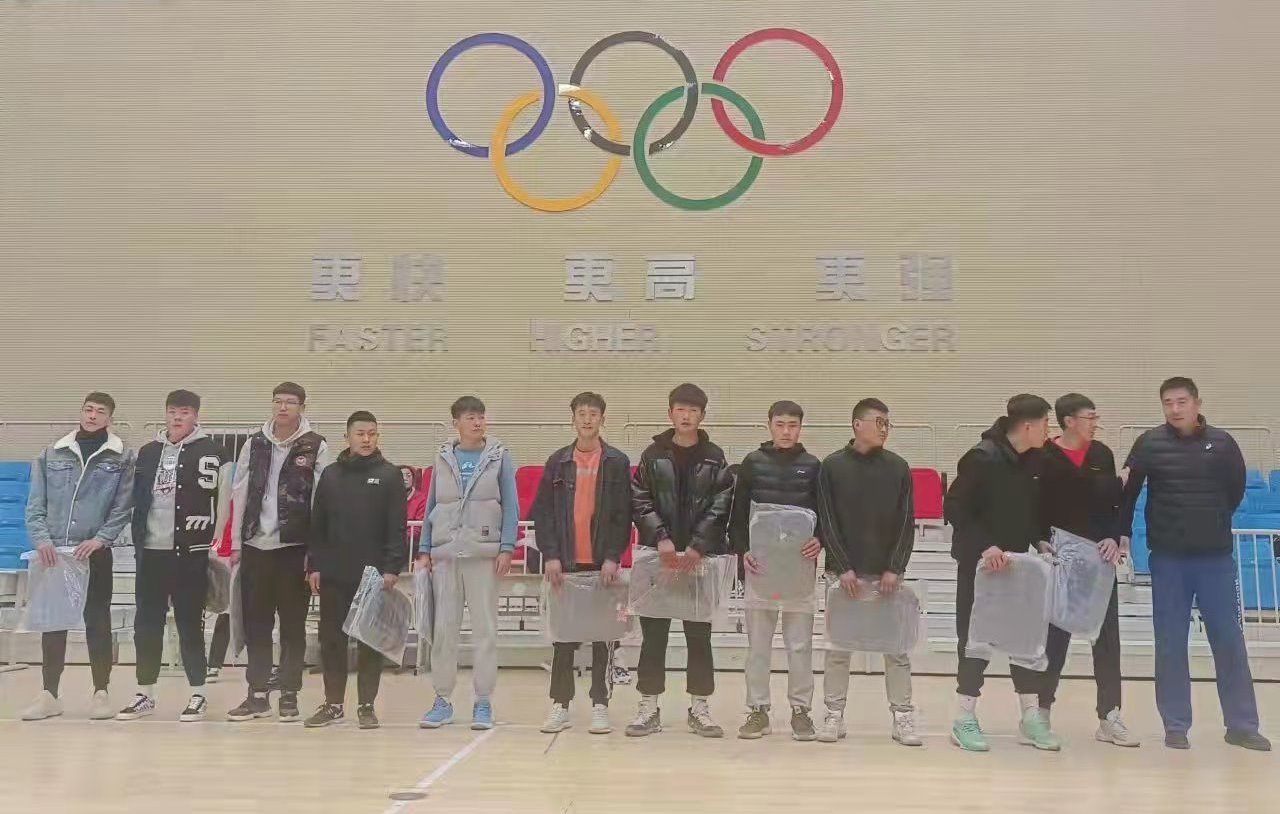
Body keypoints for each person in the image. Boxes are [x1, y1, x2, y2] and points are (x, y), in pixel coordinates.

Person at [1121, 377, 1270, 751]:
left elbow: (1234, 491)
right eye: (1167, 403)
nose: (1174, 409)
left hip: (1215, 560)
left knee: (1229, 641)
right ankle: (1175, 725)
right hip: (1168, 560)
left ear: (1197, 403)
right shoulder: (1149, 443)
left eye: (1181, 401)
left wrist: (1211, 520)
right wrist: (1120, 532)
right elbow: (1128, 492)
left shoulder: (1222, 443)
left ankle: (1241, 725)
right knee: (1170, 643)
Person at [944, 394, 1059, 752]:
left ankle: (1030, 717)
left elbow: (1033, 511)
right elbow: (954, 507)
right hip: (980, 566)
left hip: (1018, 567)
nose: (1049, 430)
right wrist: (985, 546)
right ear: (1027, 425)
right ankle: (964, 718)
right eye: (1046, 423)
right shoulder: (982, 457)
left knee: (1024, 640)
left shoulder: (1036, 460)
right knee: (974, 641)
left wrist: (1040, 539)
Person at [116, 390, 231, 723]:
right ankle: (145, 693)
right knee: (146, 625)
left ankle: (198, 693)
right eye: (172, 411)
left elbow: (224, 498)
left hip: (190, 552)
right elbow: (134, 497)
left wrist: (214, 543)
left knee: (189, 624)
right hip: (150, 552)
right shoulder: (148, 452)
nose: (177, 417)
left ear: (196, 416)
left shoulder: (214, 451)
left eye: (184, 412)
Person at [627, 383, 735, 738]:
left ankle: (700, 708)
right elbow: (639, 500)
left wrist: (698, 546)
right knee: (653, 637)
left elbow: (722, 505)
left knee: (699, 637)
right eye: (680, 409)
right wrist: (661, 538)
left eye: (693, 410)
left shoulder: (715, 456)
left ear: (702, 415)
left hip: (698, 562)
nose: (686, 416)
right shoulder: (652, 455)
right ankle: (648, 707)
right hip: (658, 560)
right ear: (670, 413)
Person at [21, 392, 135, 722]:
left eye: (100, 411)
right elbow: (35, 504)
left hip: (94, 553)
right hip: (55, 553)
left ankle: (101, 692)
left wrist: (100, 539)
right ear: (81, 412)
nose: (93, 415)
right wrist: (42, 539)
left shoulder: (122, 456)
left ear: (110, 418)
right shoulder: (51, 453)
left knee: (97, 622)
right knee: (53, 623)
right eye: (89, 409)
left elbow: (123, 506)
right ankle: (49, 695)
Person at [1032, 393, 1137, 746]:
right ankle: (1041, 711)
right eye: (1089, 417)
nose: (1095, 423)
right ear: (1069, 421)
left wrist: (1113, 536)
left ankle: (1109, 716)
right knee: (1055, 639)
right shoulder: (1044, 457)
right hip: (1061, 561)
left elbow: (1113, 504)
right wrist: (1038, 540)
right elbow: (1037, 506)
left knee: (1107, 640)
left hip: (1099, 560)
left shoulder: (1101, 454)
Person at [816, 398, 919, 746]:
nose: (885, 429)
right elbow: (826, 520)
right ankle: (833, 714)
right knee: (838, 649)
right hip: (843, 576)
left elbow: (906, 521)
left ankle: (902, 716)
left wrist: (895, 567)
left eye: (888, 423)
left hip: (886, 576)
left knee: (896, 650)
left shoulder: (898, 467)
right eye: (879, 422)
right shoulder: (831, 466)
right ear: (857, 424)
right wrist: (842, 567)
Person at [530, 392, 633, 735]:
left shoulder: (616, 462)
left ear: (602, 419)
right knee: (564, 639)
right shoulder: (558, 461)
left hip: (602, 566)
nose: (587, 419)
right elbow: (544, 513)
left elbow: (622, 515)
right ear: (572, 418)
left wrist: (613, 557)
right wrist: (551, 555)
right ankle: (560, 705)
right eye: (581, 414)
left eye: (593, 414)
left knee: (603, 639)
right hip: (566, 565)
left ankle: (601, 704)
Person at [226, 381, 330, 722]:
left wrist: (315, 553)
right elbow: (239, 492)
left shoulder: (316, 446)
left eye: (290, 402)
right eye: (278, 401)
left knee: (292, 626)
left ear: (302, 407)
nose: (283, 407)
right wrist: (237, 543)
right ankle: (257, 694)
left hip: (294, 548)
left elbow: (321, 502)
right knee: (256, 624)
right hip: (255, 546)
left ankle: (289, 694)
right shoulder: (254, 443)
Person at [417, 396, 518, 731]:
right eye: (471, 417)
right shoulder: (443, 456)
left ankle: (483, 701)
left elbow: (512, 505)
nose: (477, 423)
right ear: (456, 423)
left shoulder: (499, 457)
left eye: (481, 417)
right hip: (446, 555)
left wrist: (507, 547)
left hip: (483, 554)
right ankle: (442, 699)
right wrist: (425, 548)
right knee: (444, 630)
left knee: (485, 630)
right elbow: (432, 503)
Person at [303, 411, 407, 730]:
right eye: (360, 433)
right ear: (347, 437)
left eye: (372, 434)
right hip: (333, 573)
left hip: (373, 577)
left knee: (369, 642)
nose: (366, 439)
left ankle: (366, 705)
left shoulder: (389, 475)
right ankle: (333, 704)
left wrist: (392, 567)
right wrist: (314, 565)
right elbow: (318, 524)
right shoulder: (331, 475)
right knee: (331, 641)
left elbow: (397, 526)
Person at [730, 400, 822, 741]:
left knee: (799, 646)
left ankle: (801, 711)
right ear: (769, 425)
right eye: (780, 424)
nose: (786, 431)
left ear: (800, 428)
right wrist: (743, 551)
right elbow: (738, 515)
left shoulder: (813, 466)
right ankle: (758, 710)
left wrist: (821, 539)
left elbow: (824, 513)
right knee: (758, 646)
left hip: (799, 568)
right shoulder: (752, 463)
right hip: (761, 567)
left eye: (792, 425)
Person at [401, 464, 427, 557]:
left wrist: (402, 538)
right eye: (401, 476)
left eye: (408, 475)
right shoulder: (390, 497)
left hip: (411, 542)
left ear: (413, 479)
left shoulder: (421, 498)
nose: (405, 478)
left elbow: (418, 526)